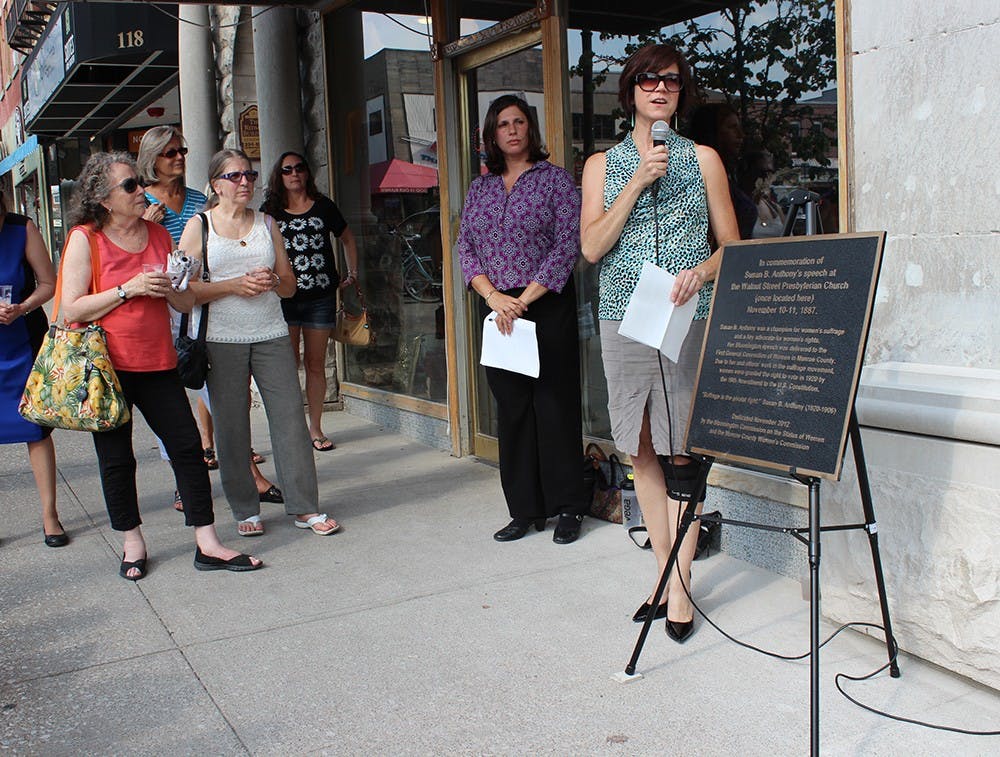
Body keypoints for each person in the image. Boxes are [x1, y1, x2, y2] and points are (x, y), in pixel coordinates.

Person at [581, 44, 739, 641]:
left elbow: (732, 245)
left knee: (683, 450)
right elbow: (593, 247)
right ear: (631, 91)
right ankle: (664, 575)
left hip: (683, 317)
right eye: (648, 80)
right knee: (639, 447)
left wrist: (701, 271)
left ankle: (680, 589)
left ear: (680, 93)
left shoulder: (704, 160)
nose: (660, 89)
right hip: (624, 317)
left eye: (671, 81)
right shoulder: (602, 164)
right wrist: (638, 179)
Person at [59, 152, 261, 578]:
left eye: (139, 181)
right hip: (107, 369)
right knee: (117, 458)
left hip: (157, 361)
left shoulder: (157, 235)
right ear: (104, 198)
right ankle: (132, 543)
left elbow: (184, 300)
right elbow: (69, 309)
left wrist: (178, 287)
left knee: (187, 448)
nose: (142, 190)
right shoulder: (85, 238)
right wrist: (127, 288)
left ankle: (207, 542)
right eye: (130, 185)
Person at [180, 149, 339, 538]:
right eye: (235, 177)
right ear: (216, 184)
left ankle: (305, 507)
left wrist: (270, 280)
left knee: (289, 420)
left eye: (249, 176)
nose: (245, 183)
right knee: (232, 427)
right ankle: (244, 508)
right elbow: (182, 293)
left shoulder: (267, 223)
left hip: (270, 331)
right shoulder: (199, 227)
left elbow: (289, 286)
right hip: (222, 337)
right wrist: (234, 285)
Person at [455, 94, 586, 545]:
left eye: (518, 122)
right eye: (502, 124)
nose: (511, 130)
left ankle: (569, 506)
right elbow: (465, 247)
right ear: (491, 135)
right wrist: (493, 297)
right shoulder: (481, 188)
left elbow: (568, 245)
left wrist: (523, 299)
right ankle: (524, 510)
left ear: (530, 127)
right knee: (513, 411)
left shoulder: (556, 181)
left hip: (544, 305)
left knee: (553, 406)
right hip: (498, 309)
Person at [137, 126, 282, 509]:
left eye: (182, 150)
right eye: (170, 152)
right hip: (156, 308)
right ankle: (183, 479)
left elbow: (210, 244)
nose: (179, 157)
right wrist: (148, 226)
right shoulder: (141, 202)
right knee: (170, 398)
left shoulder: (199, 199)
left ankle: (247, 472)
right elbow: (142, 253)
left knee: (220, 395)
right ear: (152, 158)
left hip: (199, 308)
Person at [260, 151, 360, 451]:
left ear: (307, 172)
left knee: (315, 363)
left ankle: (315, 428)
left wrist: (352, 272)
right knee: (286, 366)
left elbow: (347, 237)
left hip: (320, 297)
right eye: (287, 169)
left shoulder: (323, 206)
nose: (294, 174)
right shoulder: (270, 211)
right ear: (279, 175)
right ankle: (292, 428)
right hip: (284, 298)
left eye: (299, 168)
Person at [0, 193, 67, 548]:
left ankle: (49, 515)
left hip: (21, 344)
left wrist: (22, 307)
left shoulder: (21, 228)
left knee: (36, 431)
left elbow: (48, 283)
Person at [688, 102, 756, 239]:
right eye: (732, 127)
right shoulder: (696, 176)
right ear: (713, 131)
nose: (740, 135)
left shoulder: (732, 176)